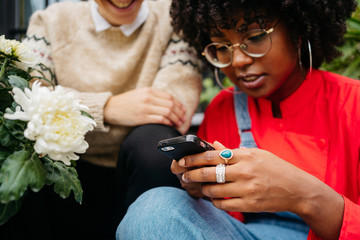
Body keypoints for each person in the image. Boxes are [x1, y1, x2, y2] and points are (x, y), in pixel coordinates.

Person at [116, 0, 360, 239]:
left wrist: (304, 196)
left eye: (255, 38)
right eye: (221, 47)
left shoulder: (354, 104)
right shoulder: (223, 109)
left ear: (298, 29)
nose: (239, 60)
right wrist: (199, 188)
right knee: (155, 208)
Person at [0, 0, 201, 239]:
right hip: (62, 174)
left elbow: (172, 109)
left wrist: (69, 112)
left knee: (156, 141)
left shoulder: (173, 19)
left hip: (139, 174)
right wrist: (107, 108)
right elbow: (29, 97)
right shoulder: (51, 21)